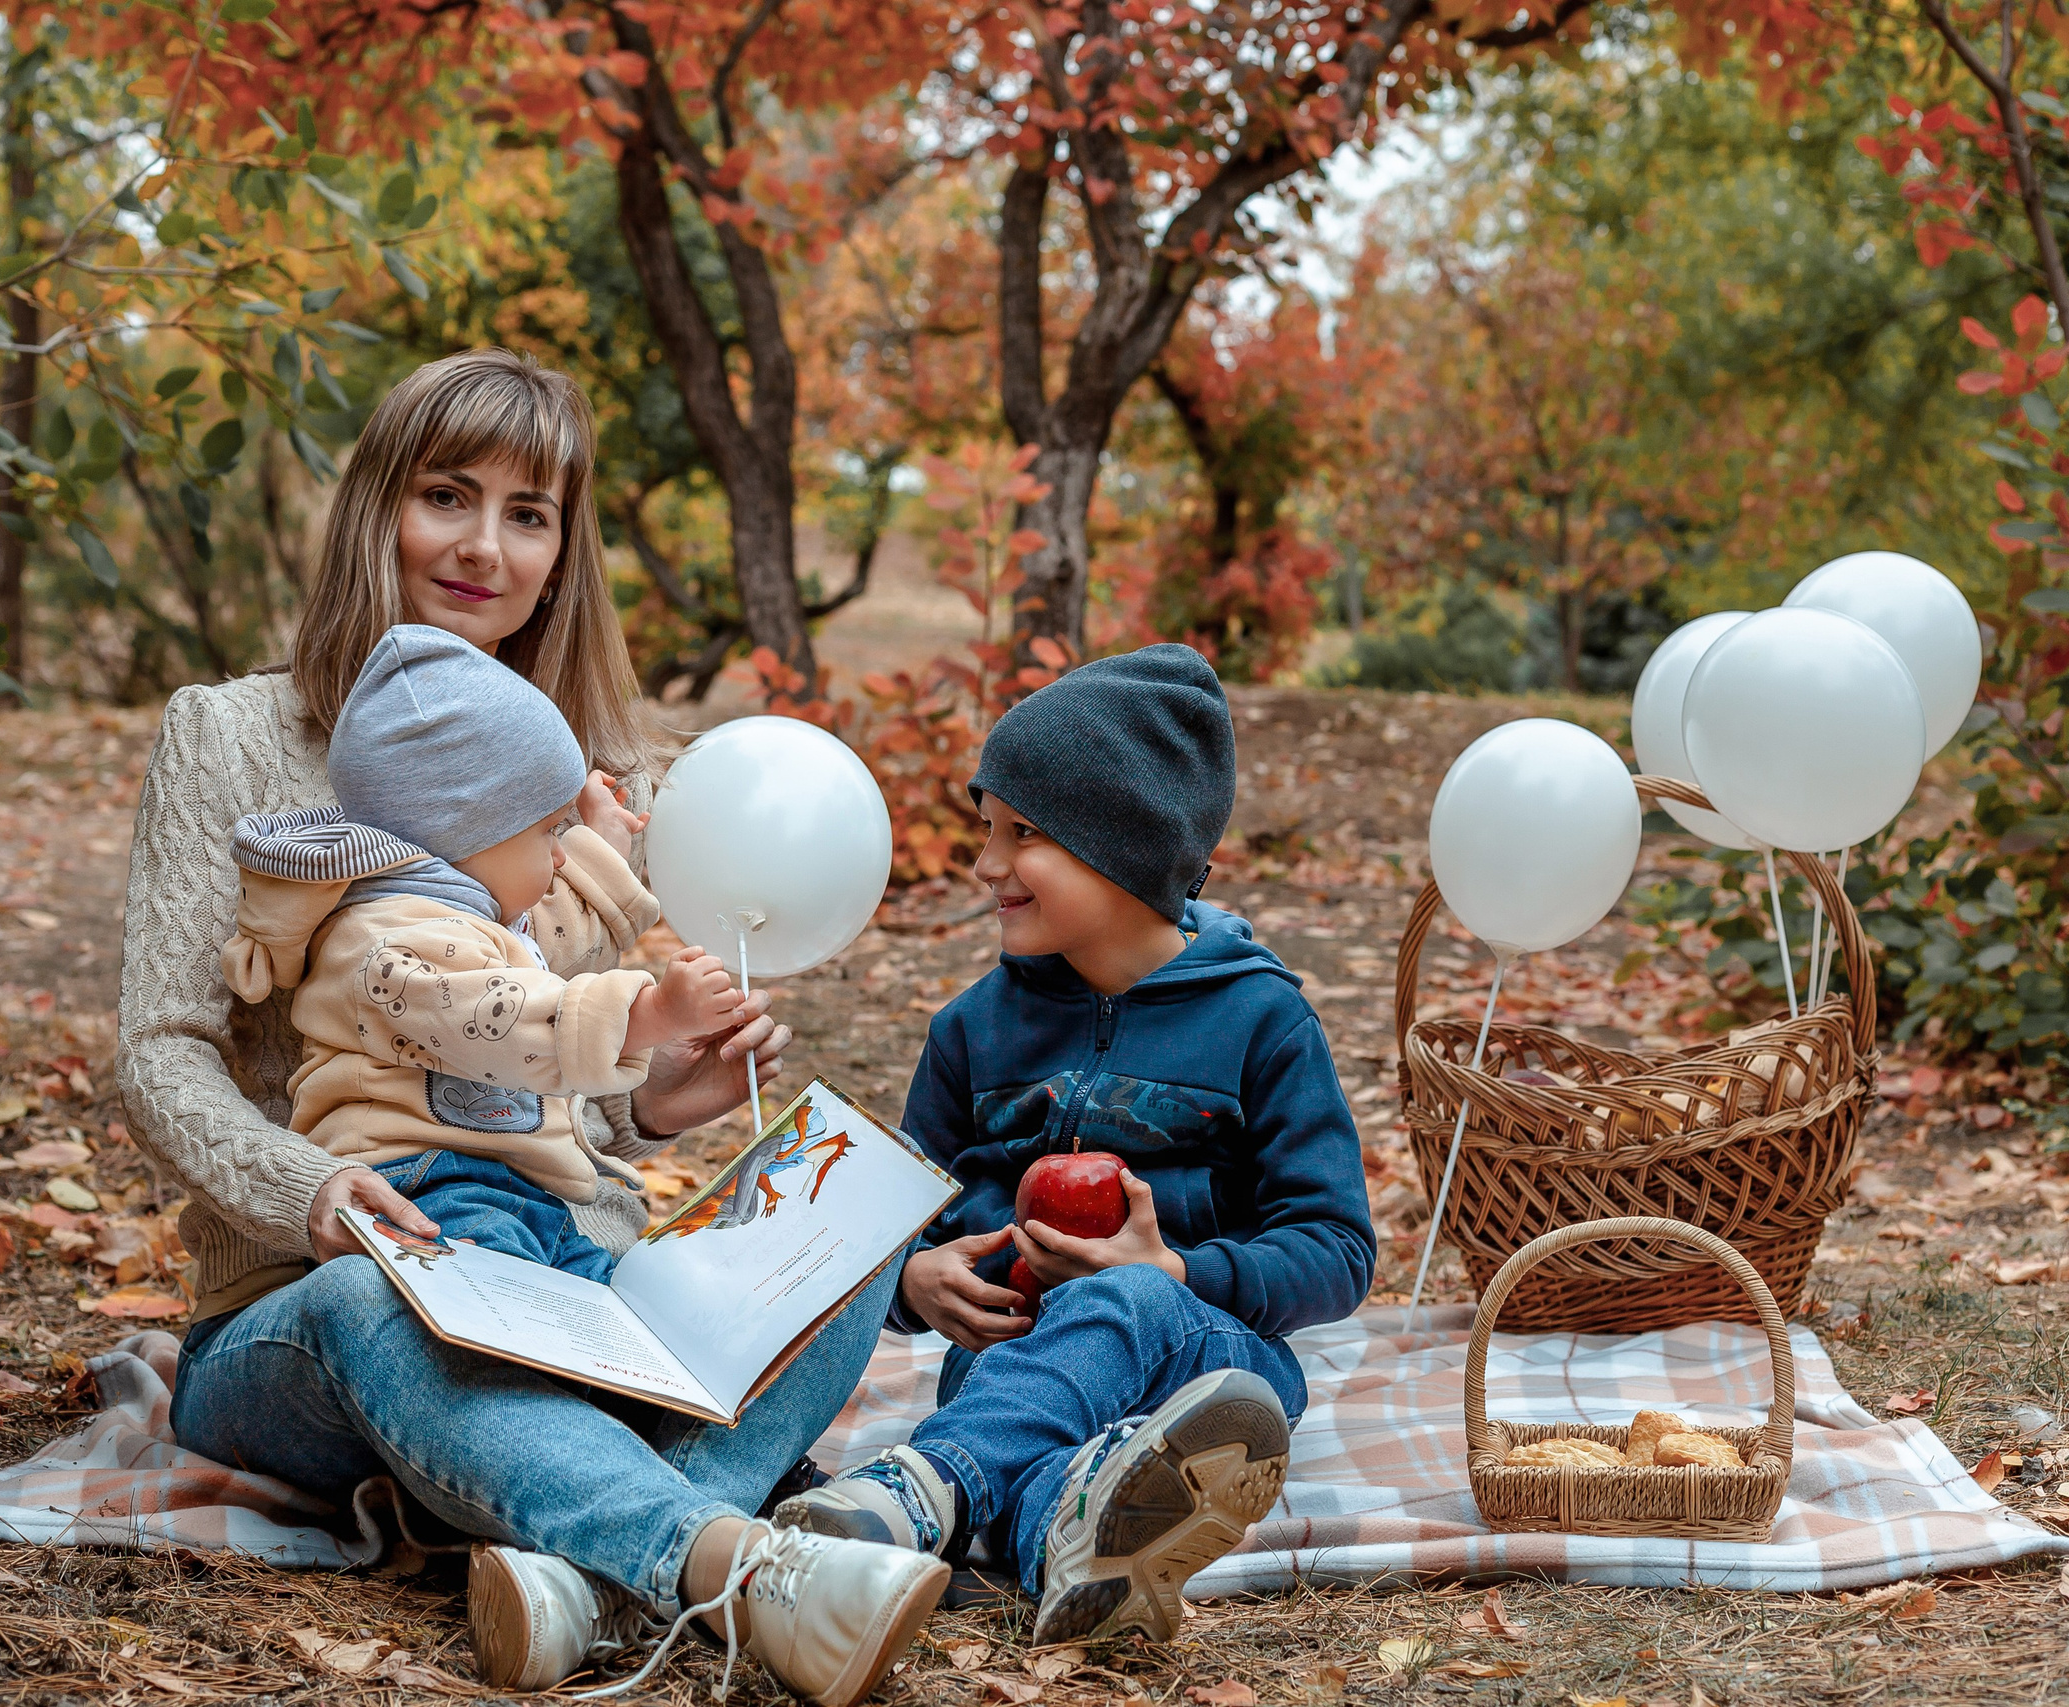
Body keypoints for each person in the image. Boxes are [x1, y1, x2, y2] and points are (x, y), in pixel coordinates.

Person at [118, 349, 943, 1704]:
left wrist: (659, 1095)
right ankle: (726, 1562)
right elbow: (159, 1048)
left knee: (849, 1230)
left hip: (564, 1279)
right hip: (313, 1298)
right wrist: (314, 1188)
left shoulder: (577, 765)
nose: (484, 545)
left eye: (529, 512)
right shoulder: (232, 736)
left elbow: (532, 1063)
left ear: (565, 549)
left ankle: (587, 1572)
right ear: (378, 503)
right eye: (448, 494)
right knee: (377, 1300)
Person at [773, 645, 1375, 1645]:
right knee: (1044, 1452)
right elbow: (888, 1225)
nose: (985, 866)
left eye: (1023, 834)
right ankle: (1073, 1538)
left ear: (1123, 847)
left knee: (1128, 1298)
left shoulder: (1262, 1022)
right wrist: (913, 1281)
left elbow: (1336, 1249)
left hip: (1209, 1368)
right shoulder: (971, 1032)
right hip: (1010, 1361)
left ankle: (920, 1493)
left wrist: (1177, 1268)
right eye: (986, 830)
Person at [220, 621, 748, 1272]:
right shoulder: (386, 940)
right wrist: (649, 1015)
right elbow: (495, 1015)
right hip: (422, 1183)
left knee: (610, 1316)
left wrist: (602, 844)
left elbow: (557, 933)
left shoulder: (475, 911)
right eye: (550, 831)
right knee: (508, 1324)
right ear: (470, 829)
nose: (561, 856)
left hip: (524, 1195)